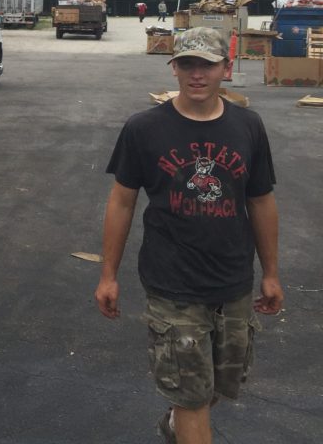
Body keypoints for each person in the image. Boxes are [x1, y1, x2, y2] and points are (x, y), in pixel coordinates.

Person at [95, 27, 283, 443]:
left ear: (226, 69)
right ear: (174, 69)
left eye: (207, 65)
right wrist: (108, 274)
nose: (198, 75)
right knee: (192, 394)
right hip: (171, 283)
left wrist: (271, 272)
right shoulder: (144, 128)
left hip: (233, 279)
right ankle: (186, 420)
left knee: (219, 384)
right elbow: (122, 202)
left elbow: (261, 201)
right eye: (188, 65)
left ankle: (177, 425)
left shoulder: (248, 126)